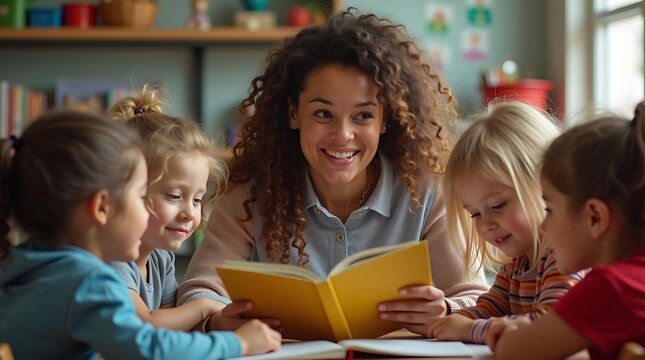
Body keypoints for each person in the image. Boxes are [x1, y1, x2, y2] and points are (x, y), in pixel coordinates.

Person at [177, 8, 489, 334]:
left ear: (386, 120)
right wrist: (216, 316)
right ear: (293, 114)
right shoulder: (249, 195)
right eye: (323, 113)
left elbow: (477, 298)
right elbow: (197, 292)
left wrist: (446, 310)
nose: (343, 134)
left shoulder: (426, 192)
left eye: (363, 116)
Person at [0, 111, 281, 359]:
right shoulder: (87, 280)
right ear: (101, 207)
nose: (145, 210)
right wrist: (237, 344)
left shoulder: (33, 263)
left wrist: (215, 322)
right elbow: (149, 349)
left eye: (197, 199)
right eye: (141, 195)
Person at [416, 101, 587, 343]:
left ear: (545, 185)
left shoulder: (567, 259)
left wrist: (466, 330)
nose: (485, 225)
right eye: (475, 214)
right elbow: (485, 311)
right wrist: (445, 323)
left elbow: (548, 327)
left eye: (497, 206)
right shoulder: (515, 268)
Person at [488, 101, 645, 360]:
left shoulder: (612, 287)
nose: (543, 225)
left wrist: (516, 330)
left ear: (595, 218)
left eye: (549, 209)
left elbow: (513, 352)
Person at [108, 86, 230, 331]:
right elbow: (147, 327)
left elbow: (171, 329)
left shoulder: (160, 258)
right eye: (174, 196)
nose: (189, 213)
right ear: (127, 190)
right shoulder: (111, 260)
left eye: (197, 200)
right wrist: (205, 306)